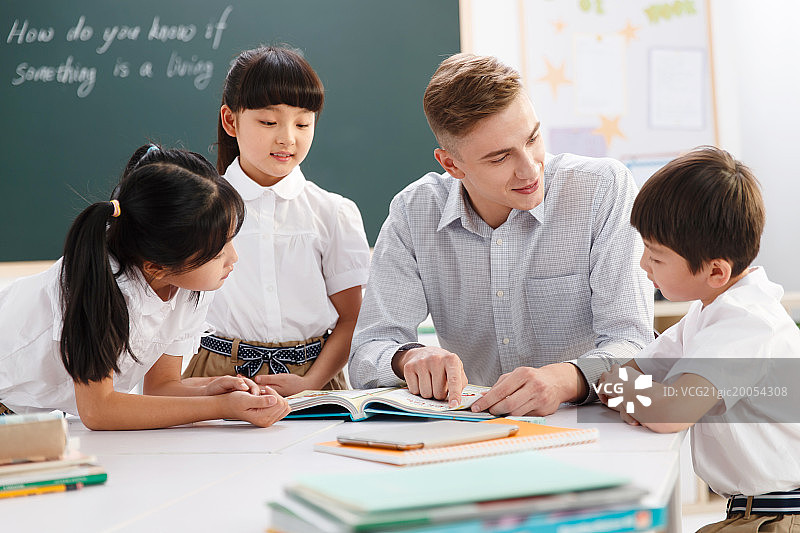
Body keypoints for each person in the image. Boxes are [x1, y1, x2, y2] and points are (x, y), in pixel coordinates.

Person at [349, 53, 654, 416]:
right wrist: (408, 358)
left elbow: (633, 343)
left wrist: (566, 380)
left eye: (533, 138)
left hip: (592, 422)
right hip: (474, 427)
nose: (529, 169)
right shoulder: (414, 213)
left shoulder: (602, 189)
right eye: (500, 158)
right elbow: (367, 353)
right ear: (451, 164)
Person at [0, 144, 290, 429]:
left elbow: (162, 387)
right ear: (156, 266)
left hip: (31, 418)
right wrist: (219, 408)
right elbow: (99, 410)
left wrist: (211, 390)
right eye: (217, 253)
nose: (233, 258)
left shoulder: (187, 284)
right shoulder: (103, 284)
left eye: (229, 241)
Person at [598, 146, 800, 531]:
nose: (644, 265)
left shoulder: (747, 323)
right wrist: (641, 397)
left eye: (656, 257)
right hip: (754, 511)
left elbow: (669, 412)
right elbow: (621, 375)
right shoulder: (707, 313)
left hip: (780, 517)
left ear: (715, 272)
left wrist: (643, 400)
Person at [182, 46, 370, 396]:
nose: (288, 138)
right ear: (231, 121)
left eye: (303, 122)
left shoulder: (332, 212)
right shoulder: (198, 208)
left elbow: (351, 318)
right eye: (269, 122)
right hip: (216, 375)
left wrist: (310, 385)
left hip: (313, 377)